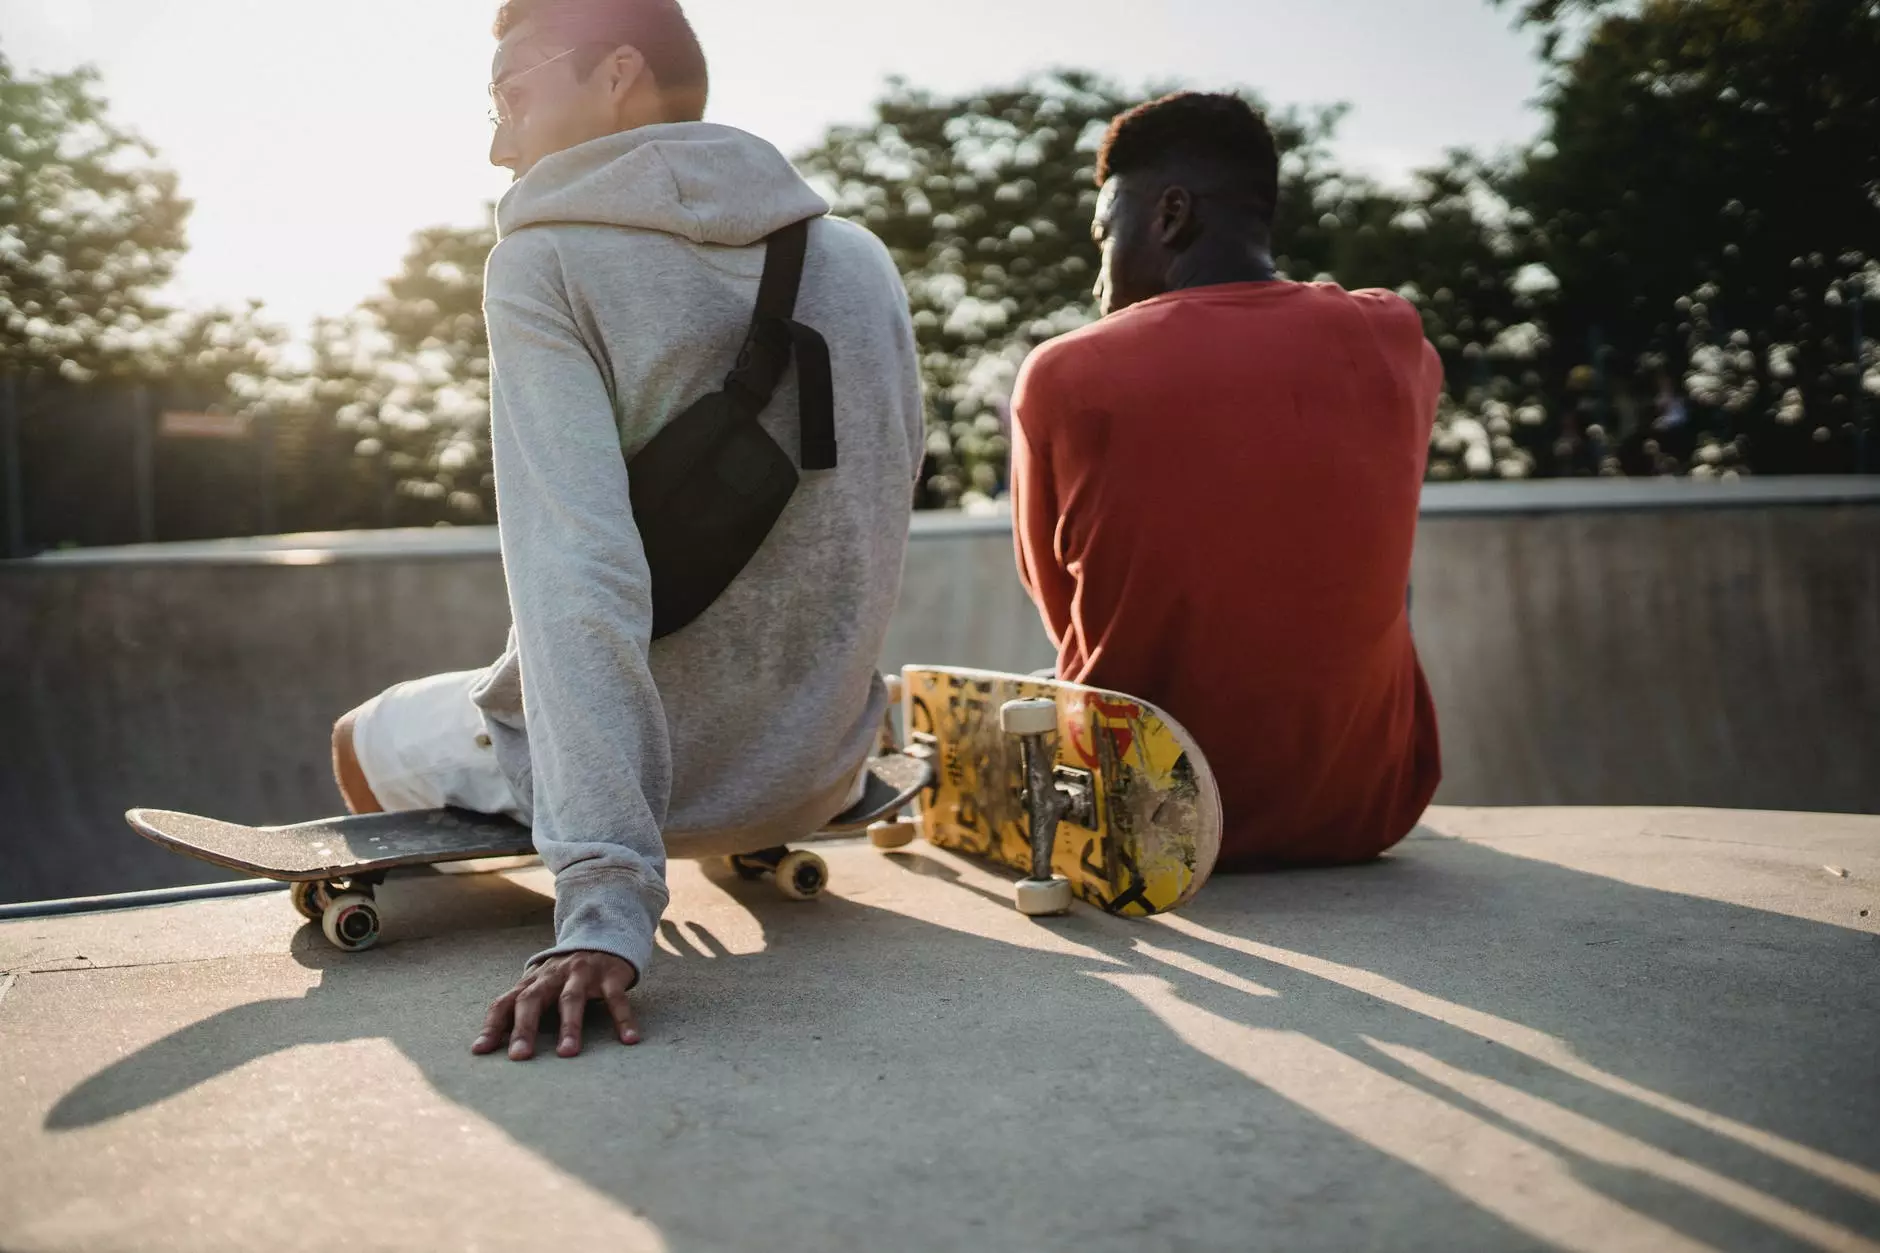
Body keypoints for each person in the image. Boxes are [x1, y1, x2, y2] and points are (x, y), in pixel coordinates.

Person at [330, 0, 923, 1060]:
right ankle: (719, 839)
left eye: (510, 97)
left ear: (614, 74)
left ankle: (578, 850)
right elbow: (875, 520)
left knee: (361, 736)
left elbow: (577, 572)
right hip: (820, 774)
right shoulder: (862, 259)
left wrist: (605, 895)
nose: (498, 143)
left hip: (650, 812)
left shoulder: (543, 264)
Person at [1008, 91, 1441, 872]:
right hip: (1365, 808)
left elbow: (1062, 607)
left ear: (1170, 215)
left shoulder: (1068, 371)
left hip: (1144, 820)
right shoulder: (1399, 340)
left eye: (1105, 235)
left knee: (1033, 698)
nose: (1099, 278)